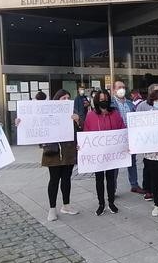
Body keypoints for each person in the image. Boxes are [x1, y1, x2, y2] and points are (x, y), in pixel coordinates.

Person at [34, 89, 82, 221]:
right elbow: (38, 129)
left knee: (66, 179)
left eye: (68, 98)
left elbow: (81, 131)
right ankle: (52, 208)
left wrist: (78, 121)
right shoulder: (49, 113)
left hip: (68, 152)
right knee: (54, 180)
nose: (66, 100)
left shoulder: (73, 113)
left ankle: (66, 205)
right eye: (63, 98)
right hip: (53, 152)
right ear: (57, 99)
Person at [83, 89, 126, 215]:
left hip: (112, 154)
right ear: (97, 101)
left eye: (106, 99)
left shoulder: (115, 114)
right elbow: (86, 133)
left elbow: (122, 129)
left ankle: (111, 202)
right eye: (101, 100)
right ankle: (101, 203)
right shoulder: (90, 115)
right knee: (99, 179)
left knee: (111, 179)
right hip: (98, 155)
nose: (104, 102)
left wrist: (126, 143)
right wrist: (83, 147)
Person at [110, 80, 141, 194]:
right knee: (115, 164)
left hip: (130, 136)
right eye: (119, 87)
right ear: (114, 90)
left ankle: (134, 185)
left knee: (132, 161)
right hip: (117, 137)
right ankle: (112, 188)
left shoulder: (130, 104)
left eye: (123, 87)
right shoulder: (110, 104)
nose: (121, 89)